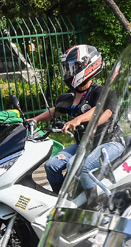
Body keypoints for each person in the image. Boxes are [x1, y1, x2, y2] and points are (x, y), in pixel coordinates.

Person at [32, 44, 120, 192]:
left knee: (74, 164)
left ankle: (93, 205)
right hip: (83, 145)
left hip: (108, 142)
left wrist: (78, 119)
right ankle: (62, 200)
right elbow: (56, 111)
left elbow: (102, 112)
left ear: (88, 65)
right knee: (51, 166)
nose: (69, 71)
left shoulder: (103, 92)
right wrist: (35, 120)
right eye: (67, 67)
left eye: (74, 67)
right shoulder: (71, 96)